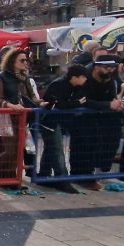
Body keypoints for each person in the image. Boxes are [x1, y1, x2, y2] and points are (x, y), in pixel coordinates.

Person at [69, 54, 124, 190]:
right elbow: (83, 99)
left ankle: (99, 173)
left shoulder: (110, 80)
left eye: (112, 67)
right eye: (106, 67)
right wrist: (107, 105)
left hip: (101, 120)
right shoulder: (85, 78)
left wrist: (117, 104)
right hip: (81, 119)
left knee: (103, 143)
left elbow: (111, 97)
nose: (110, 71)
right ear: (96, 67)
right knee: (82, 148)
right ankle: (81, 177)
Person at [0, 47, 37, 183]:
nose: (25, 63)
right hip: (7, 118)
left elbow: (31, 97)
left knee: (19, 149)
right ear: (12, 61)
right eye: (22, 60)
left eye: (26, 60)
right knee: (11, 150)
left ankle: (7, 177)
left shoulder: (25, 78)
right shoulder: (1, 77)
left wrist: (41, 102)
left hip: (22, 118)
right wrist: (11, 105)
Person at [38, 64, 88, 193]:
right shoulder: (58, 85)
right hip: (50, 122)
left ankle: (43, 174)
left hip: (60, 122)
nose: (85, 80)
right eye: (83, 77)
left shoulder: (76, 87)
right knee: (57, 150)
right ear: (75, 77)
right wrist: (76, 104)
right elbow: (54, 104)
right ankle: (62, 179)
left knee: (51, 148)